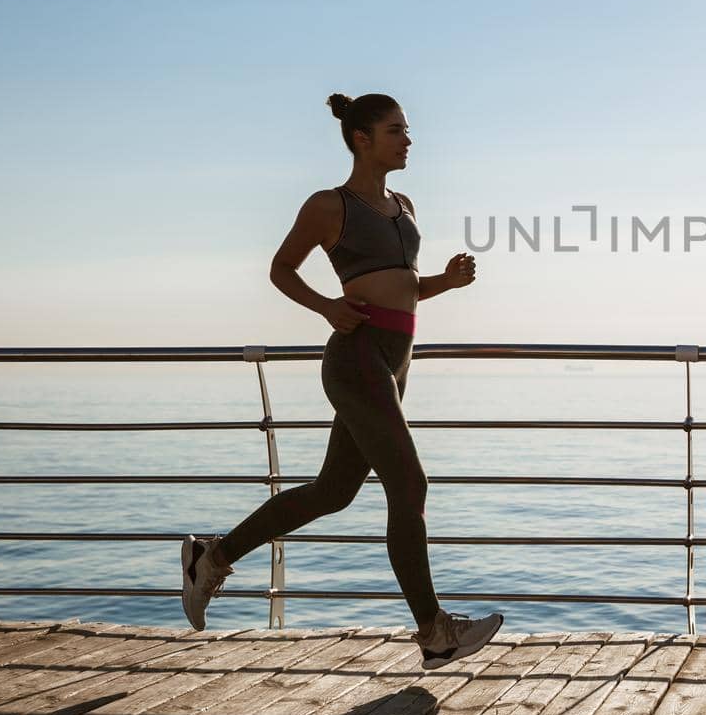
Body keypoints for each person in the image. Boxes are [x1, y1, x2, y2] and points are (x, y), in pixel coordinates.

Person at [181, 91, 503, 670]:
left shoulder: (404, 204)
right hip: (356, 359)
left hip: (395, 362)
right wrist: (328, 307)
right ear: (362, 138)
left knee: (334, 491)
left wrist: (444, 283)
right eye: (396, 130)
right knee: (410, 485)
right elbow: (282, 268)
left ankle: (213, 555)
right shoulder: (331, 205)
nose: (408, 139)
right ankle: (434, 630)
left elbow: (401, 286)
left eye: (407, 130)